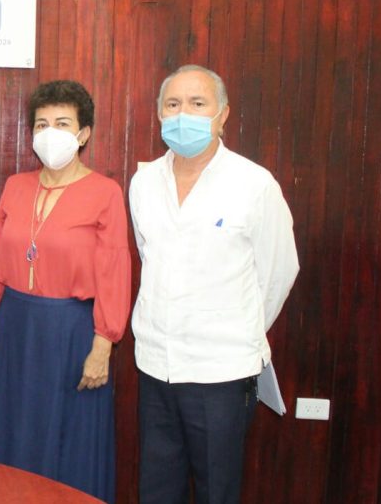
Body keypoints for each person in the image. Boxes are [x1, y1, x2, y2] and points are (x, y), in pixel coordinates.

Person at [130, 65, 299, 504]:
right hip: (155, 366)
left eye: (197, 103)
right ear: (159, 113)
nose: (183, 113)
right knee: (156, 491)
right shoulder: (144, 182)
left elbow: (279, 271)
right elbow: (150, 257)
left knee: (217, 493)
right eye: (173, 104)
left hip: (221, 373)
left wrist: (236, 327)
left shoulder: (254, 184)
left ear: (222, 115)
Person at [0, 80, 129, 502]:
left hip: (71, 330)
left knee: (66, 438)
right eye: (41, 124)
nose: (50, 132)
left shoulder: (105, 192)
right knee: (12, 429)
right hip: (15, 326)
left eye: (62, 123)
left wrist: (104, 345)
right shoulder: (16, 185)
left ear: (84, 133)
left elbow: (114, 270)